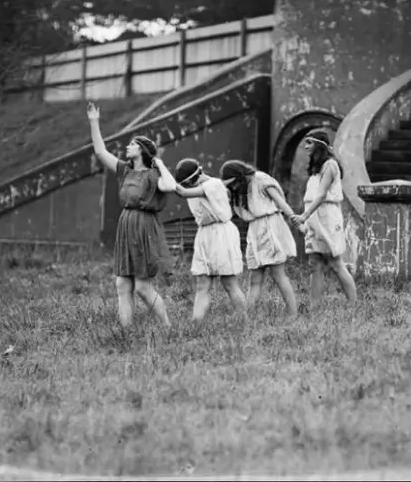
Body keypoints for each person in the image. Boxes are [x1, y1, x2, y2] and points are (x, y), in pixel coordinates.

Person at [86, 102, 177, 328]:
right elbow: (100, 151)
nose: (127, 147)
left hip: (144, 229)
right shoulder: (125, 170)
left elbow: (170, 186)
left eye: (132, 145)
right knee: (121, 284)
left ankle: (168, 327)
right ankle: (126, 334)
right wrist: (94, 122)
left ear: (142, 151)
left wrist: (161, 165)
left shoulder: (153, 175)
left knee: (143, 288)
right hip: (126, 227)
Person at [220, 159, 300, 321]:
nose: (232, 187)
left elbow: (280, 202)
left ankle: (293, 313)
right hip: (254, 230)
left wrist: (294, 219)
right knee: (255, 277)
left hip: (270, 226)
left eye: (234, 183)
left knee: (278, 274)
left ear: (240, 177)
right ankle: (247, 315)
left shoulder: (261, 180)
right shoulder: (237, 191)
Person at [173, 158, 248, 322]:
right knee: (202, 284)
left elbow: (183, 192)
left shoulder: (213, 185)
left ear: (198, 174)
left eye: (190, 182)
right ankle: (196, 323)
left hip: (221, 233)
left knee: (229, 283)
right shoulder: (198, 187)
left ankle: (243, 320)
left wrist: (160, 170)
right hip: (204, 234)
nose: (189, 186)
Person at [291, 130, 357, 304]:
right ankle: (315, 306)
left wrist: (304, 216)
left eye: (309, 143)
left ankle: (353, 304)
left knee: (335, 263)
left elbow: (320, 196)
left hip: (327, 216)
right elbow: (311, 196)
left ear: (319, 145)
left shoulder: (330, 165)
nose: (305, 147)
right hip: (314, 216)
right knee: (315, 263)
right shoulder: (316, 168)